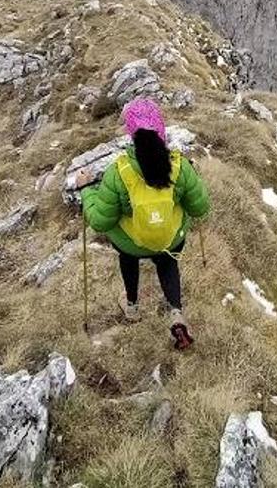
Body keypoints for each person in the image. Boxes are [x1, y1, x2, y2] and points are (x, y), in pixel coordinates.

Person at [82, 97, 210, 349]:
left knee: (128, 258)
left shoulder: (118, 172)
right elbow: (200, 208)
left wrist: (86, 189)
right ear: (161, 129)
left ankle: (131, 307)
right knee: (167, 261)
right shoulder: (179, 166)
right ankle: (176, 313)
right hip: (169, 237)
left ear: (131, 133)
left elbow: (99, 221)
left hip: (131, 243)